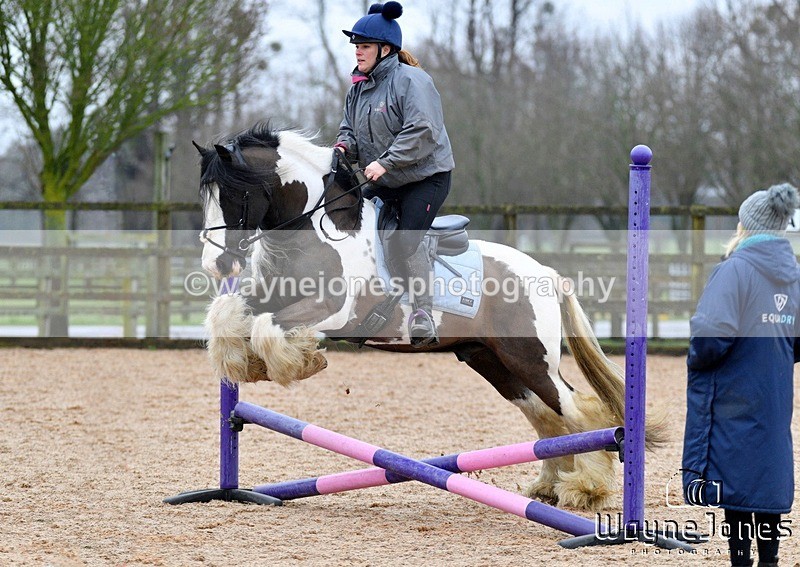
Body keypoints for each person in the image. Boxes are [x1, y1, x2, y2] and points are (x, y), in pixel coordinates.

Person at [682, 183, 800, 567]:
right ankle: (770, 560)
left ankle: (740, 561)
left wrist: (698, 359)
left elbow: (711, 335)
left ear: (747, 226)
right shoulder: (794, 276)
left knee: (736, 480)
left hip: (735, 392)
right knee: (765, 476)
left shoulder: (736, 270)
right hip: (774, 394)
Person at [335, 1, 454, 347]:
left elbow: (423, 130)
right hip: (384, 180)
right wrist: (342, 149)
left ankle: (423, 314)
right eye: (356, 46)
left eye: (364, 46)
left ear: (385, 50)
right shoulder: (358, 88)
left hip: (425, 179)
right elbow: (349, 130)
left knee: (405, 238)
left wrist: (385, 162)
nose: (357, 52)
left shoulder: (413, 81)